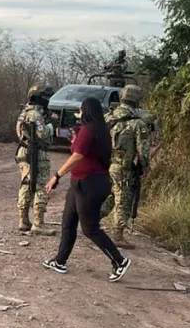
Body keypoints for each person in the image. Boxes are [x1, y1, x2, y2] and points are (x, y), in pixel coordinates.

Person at [42, 98, 131, 283]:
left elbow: (77, 156)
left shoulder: (88, 130)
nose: (79, 113)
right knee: (68, 221)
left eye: (81, 110)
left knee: (90, 228)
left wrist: (57, 175)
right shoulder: (98, 130)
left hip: (90, 183)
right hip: (80, 183)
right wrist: (75, 139)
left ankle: (119, 261)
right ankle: (60, 261)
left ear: (86, 111)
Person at [102, 85, 151, 249]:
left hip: (106, 164)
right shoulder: (137, 123)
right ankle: (118, 235)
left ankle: (90, 219)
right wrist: (145, 167)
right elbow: (143, 150)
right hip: (124, 168)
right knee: (123, 200)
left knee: (109, 196)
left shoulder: (108, 117)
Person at [15, 85, 56, 235]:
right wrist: (52, 126)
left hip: (24, 150)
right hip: (36, 152)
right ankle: (38, 223)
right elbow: (42, 133)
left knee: (26, 184)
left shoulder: (24, 113)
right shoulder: (35, 115)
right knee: (40, 186)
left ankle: (23, 220)